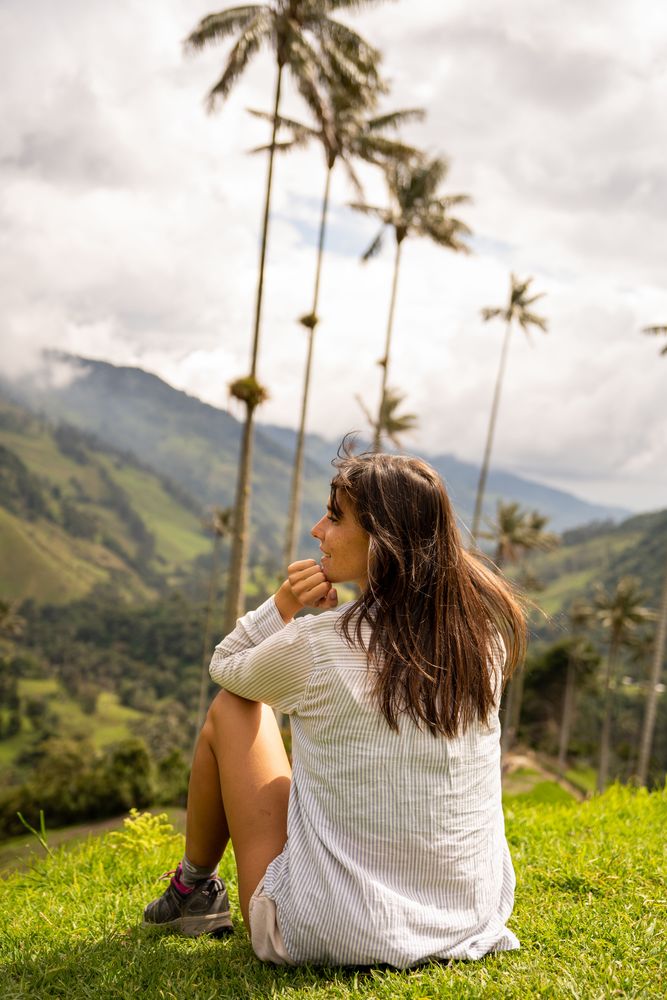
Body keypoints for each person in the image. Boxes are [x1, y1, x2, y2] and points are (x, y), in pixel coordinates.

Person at [143, 450, 526, 968]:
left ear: (382, 539)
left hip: (327, 929)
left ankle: (194, 888)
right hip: (465, 917)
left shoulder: (320, 643)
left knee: (235, 708)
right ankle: (199, 888)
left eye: (335, 516)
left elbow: (227, 663)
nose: (317, 529)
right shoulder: (482, 643)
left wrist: (284, 604)